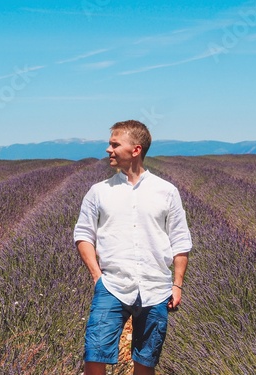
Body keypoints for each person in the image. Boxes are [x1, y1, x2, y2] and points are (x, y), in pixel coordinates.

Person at [74, 120, 192, 375]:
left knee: (145, 362)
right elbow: (83, 235)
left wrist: (177, 283)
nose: (108, 150)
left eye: (115, 144)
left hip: (156, 288)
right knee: (94, 356)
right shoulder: (98, 192)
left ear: (135, 150)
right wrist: (97, 278)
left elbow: (180, 240)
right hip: (112, 286)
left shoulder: (166, 191)